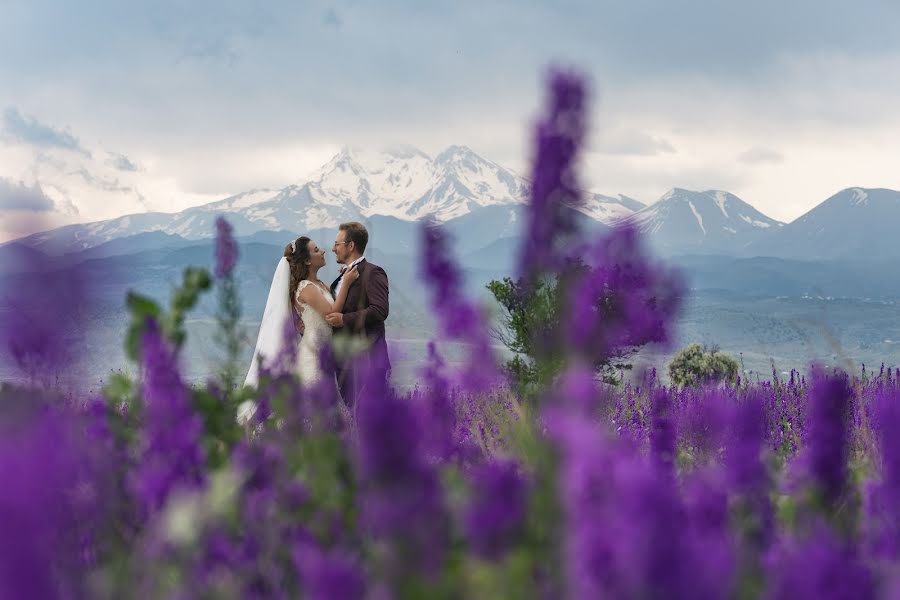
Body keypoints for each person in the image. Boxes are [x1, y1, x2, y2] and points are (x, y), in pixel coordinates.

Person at [243, 236, 358, 389]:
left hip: (324, 355)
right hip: (313, 357)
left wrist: (344, 278)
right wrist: (347, 283)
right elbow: (332, 313)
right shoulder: (306, 287)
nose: (323, 251)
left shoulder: (320, 284)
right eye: (316, 250)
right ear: (307, 261)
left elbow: (338, 300)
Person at [326, 221, 390, 406]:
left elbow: (380, 310)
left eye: (337, 244)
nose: (332, 248)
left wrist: (344, 319)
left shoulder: (373, 273)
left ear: (351, 245)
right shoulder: (341, 278)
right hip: (344, 365)